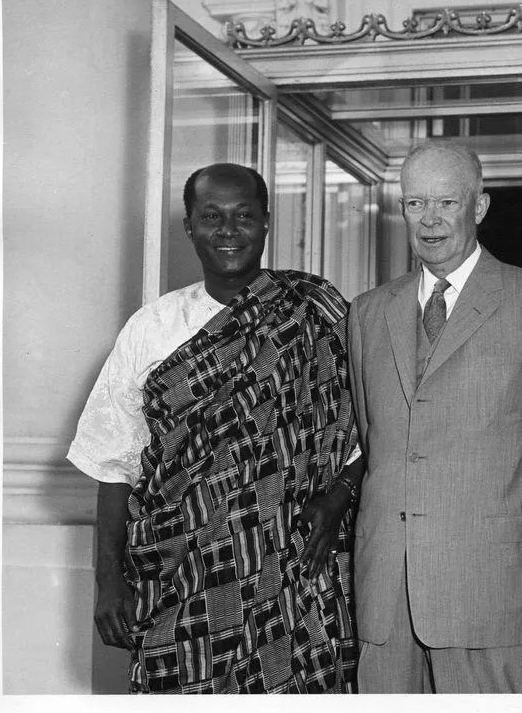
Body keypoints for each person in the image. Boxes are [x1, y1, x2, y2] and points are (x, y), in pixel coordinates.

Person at [65, 163, 362, 693]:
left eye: (244, 215)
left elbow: (371, 422)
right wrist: (108, 581)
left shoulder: (316, 312)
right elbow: (112, 459)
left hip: (291, 567)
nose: (229, 231)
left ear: (268, 222)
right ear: (189, 228)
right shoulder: (152, 327)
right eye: (212, 217)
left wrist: (339, 495)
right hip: (179, 573)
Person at [347, 141, 522, 693]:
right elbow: (376, 440)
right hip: (387, 593)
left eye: (446, 203)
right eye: (414, 204)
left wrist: (513, 549)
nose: (429, 220)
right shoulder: (368, 312)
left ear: (479, 207)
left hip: (490, 589)